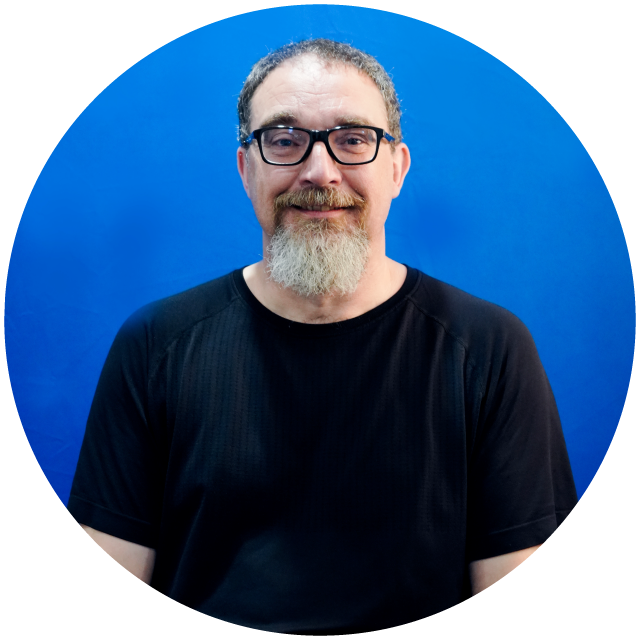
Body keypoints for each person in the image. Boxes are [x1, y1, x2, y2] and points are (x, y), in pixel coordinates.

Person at [67, 38, 578, 630]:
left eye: (353, 140)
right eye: (284, 140)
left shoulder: (487, 350)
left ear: (396, 168)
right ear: (246, 169)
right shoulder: (156, 345)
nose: (319, 171)